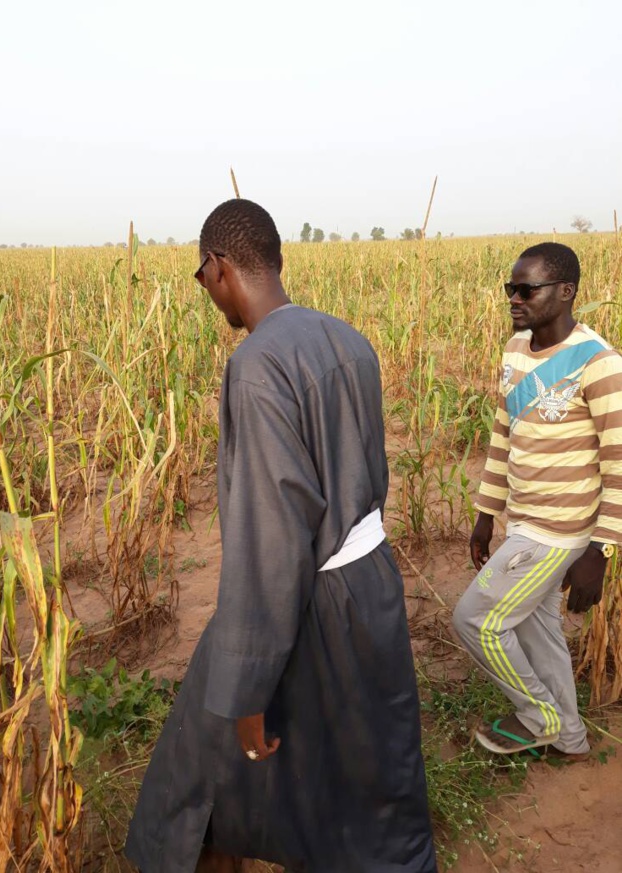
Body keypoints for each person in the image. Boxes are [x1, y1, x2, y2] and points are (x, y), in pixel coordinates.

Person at [125, 199, 437, 873]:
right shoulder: (348, 337)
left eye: (200, 277)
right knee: (365, 770)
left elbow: (274, 537)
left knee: (195, 776)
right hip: (368, 584)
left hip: (311, 595)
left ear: (218, 268)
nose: (207, 292)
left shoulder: (257, 363)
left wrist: (247, 689)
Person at [453, 242, 622, 761]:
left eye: (527, 289)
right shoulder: (514, 350)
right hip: (522, 521)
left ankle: (540, 716)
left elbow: (618, 463)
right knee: (536, 625)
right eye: (511, 289)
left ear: (565, 291)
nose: (515, 299)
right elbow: (505, 436)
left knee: (475, 620)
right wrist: (486, 515)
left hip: (560, 531)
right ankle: (569, 737)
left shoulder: (599, 363)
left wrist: (601, 550)